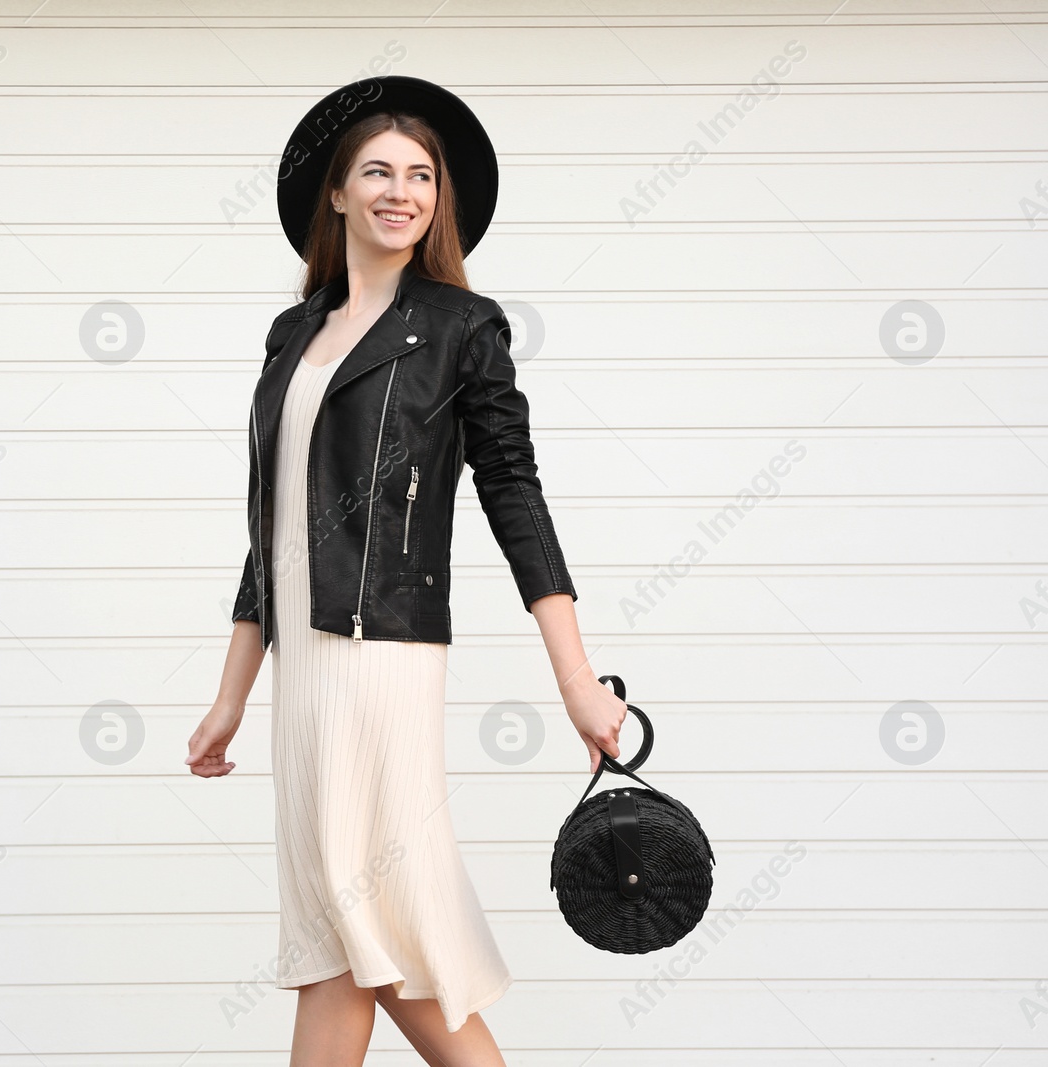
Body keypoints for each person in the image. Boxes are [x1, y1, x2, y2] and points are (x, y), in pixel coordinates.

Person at [185, 76, 627, 1066]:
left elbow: (514, 497)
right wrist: (229, 697)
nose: (401, 190)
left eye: (420, 175)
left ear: (438, 199)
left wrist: (575, 680)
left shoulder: (462, 327)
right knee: (337, 944)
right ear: (334, 194)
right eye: (377, 171)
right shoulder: (290, 335)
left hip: (378, 653)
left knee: (365, 931)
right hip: (302, 666)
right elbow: (271, 532)